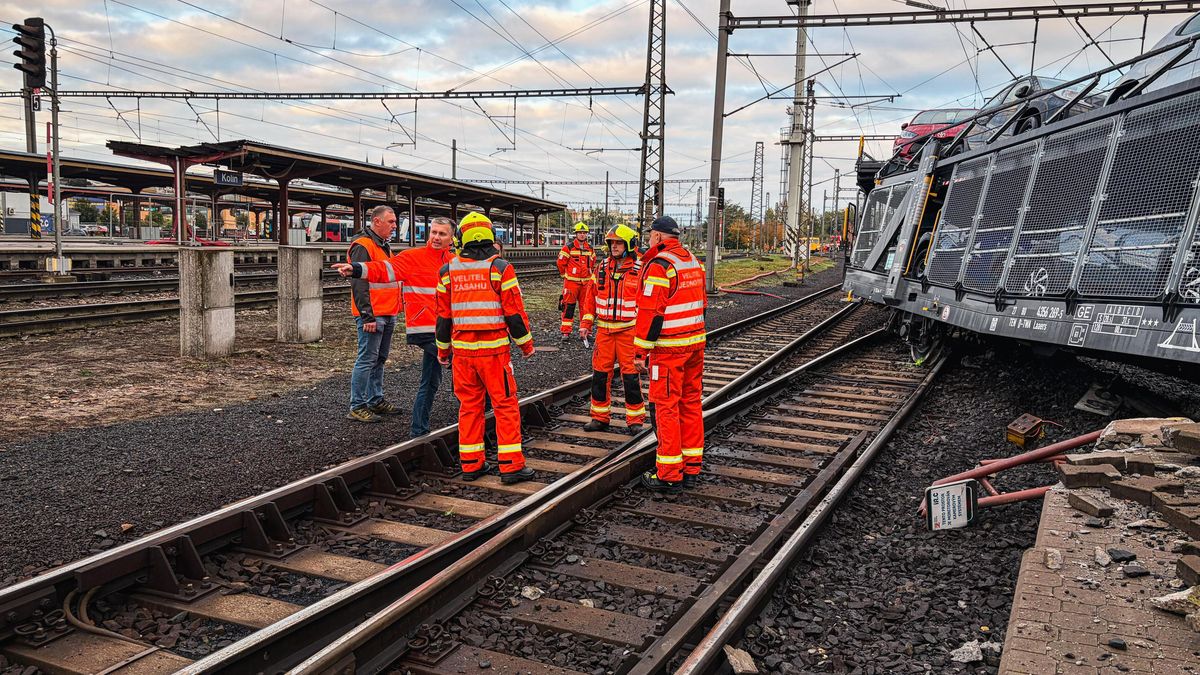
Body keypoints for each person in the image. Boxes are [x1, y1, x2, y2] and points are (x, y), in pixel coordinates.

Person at [436, 212, 537, 484]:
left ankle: (471, 464)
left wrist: (443, 351)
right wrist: (526, 345)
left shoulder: (448, 270)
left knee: (469, 407)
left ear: (461, 238)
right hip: (494, 354)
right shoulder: (500, 268)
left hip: (462, 354)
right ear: (491, 236)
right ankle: (511, 466)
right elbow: (514, 313)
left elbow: (443, 318)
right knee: (505, 406)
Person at [333, 216, 456, 437]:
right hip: (425, 330)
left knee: (430, 381)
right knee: (462, 368)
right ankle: (480, 413)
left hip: (447, 331)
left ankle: (419, 430)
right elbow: (383, 269)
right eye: (434, 232)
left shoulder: (454, 262)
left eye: (442, 234)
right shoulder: (412, 257)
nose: (436, 237)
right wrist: (356, 269)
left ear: (451, 238)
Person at [634, 215, 708, 494]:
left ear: (657, 236)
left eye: (650, 234)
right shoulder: (691, 260)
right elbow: (702, 303)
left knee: (665, 407)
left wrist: (640, 352)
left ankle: (668, 474)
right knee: (690, 403)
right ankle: (690, 468)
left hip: (669, 349)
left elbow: (651, 314)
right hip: (695, 344)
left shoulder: (660, 266)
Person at [584, 224, 647, 432]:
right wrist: (586, 323)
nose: (614, 247)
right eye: (612, 243)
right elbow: (590, 299)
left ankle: (635, 420)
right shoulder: (601, 268)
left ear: (629, 244)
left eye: (619, 243)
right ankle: (600, 417)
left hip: (629, 332)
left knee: (630, 378)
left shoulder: (640, 270)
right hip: (604, 333)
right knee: (600, 376)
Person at [345, 205, 400, 423]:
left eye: (395, 221)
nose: (394, 225)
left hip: (387, 311)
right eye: (391, 221)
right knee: (367, 359)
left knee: (379, 358)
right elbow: (359, 282)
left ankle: (375, 399)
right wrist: (366, 315)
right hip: (373, 314)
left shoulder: (384, 245)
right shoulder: (363, 245)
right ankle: (357, 405)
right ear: (377, 221)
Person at [557, 222, 597, 346]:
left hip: (586, 283)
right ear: (576, 234)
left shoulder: (590, 249)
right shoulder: (568, 248)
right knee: (568, 307)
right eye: (580, 233)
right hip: (571, 283)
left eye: (584, 233)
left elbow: (593, 262)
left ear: (586, 235)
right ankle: (566, 332)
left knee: (586, 308)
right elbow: (560, 263)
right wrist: (565, 276)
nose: (582, 235)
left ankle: (586, 332)